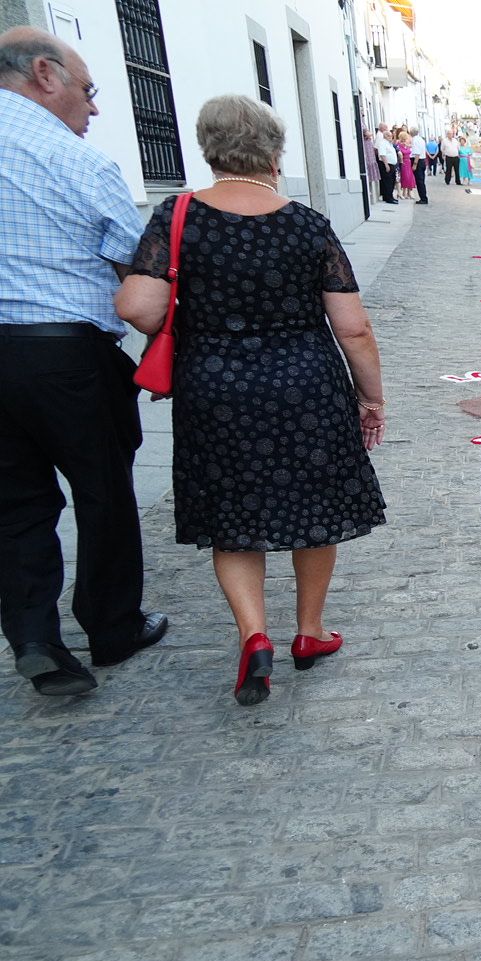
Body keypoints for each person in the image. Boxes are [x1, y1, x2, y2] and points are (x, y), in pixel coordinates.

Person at [115, 95, 386, 706]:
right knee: (315, 505)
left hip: (215, 387)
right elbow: (353, 329)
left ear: (207, 149)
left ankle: (254, 636)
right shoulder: (308, 224)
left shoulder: (177, 215)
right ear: (274, 152)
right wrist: (372, 398)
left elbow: (138, 308)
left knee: (233, 515)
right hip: (306, 383)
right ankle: (309, 632)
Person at [0, 27, 168, 697]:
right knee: (102, 490)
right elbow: (139, 270)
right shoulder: (72, 159)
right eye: (88, 90)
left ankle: (35, 639)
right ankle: (111, 625)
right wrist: (162, 346)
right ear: (45, 74)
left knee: (15, 504)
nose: (94, 108)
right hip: (65, 351)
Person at [373, 125, 399, 203]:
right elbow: (382, 155)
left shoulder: (388, 143)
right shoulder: (383, 143)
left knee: (392, 180)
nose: (391, 137)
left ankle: (389, 196)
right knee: (388, 181)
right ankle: (388, 198)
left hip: (391, 164)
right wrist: (386, 165)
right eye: (389, 136)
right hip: (387, 164)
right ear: (386, 136)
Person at [409, 127, 429, 206]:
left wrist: (415, 164)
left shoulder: (415, 140)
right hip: (422, 161)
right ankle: (423, 197)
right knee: (421, 181)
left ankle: (423, 198)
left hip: (418, 161)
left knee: (419, 181)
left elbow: (417, 153)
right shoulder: (420, 139)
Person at [395, 128, 415, 201]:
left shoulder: (407, 144)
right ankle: (404, 192)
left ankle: (409, 192)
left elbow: (411, 149)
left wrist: (408, 145)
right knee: (405, 177)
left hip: (408, 162)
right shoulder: (398, 145)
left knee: (410, 177)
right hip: (403, 162)